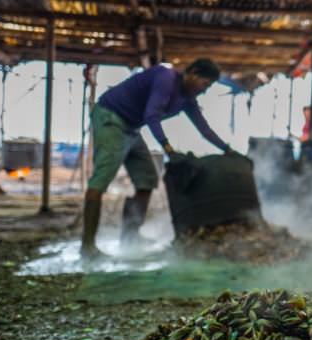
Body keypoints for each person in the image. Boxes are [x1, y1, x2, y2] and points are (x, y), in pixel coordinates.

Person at [81, 59, 234, 258]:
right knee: (100, 182)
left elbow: (204, 130)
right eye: (205, 84)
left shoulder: (187, 99)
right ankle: (87, 247)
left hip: (132, 128)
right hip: (111, 118)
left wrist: (229, 150)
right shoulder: (166, 77)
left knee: (147, 181)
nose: (204, 90)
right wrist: (169, 150)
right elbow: (151, 115)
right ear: (193, 73)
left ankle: (130, 237)